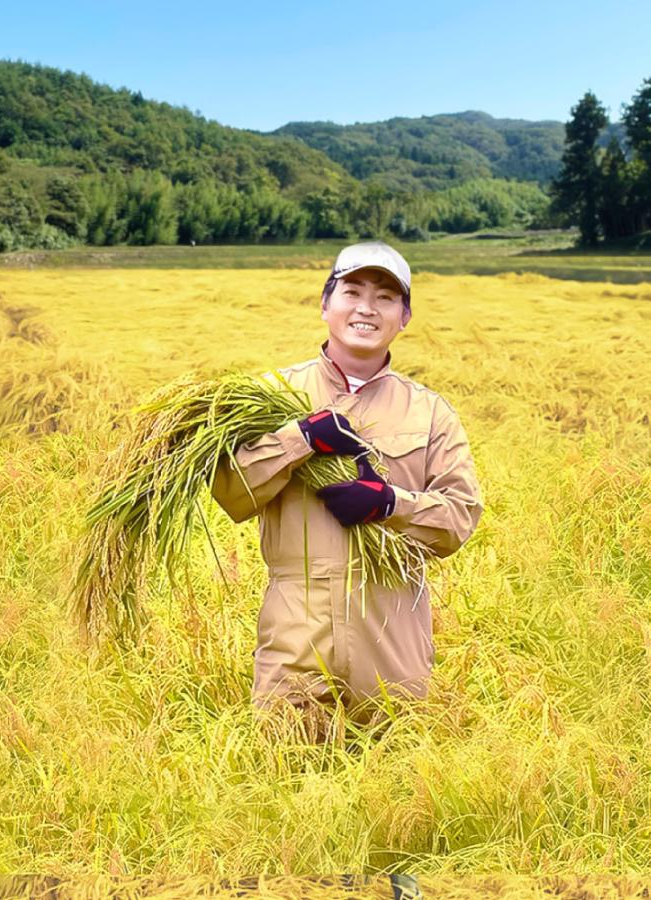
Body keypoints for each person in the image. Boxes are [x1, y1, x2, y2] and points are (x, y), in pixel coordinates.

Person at [211, 240, 483, 898]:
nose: (367, 308)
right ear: (325, 303)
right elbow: (232, 494)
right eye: (353, 292)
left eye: (385, 297)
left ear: (404, 318)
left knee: (395, 801)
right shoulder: (271, 396)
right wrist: (300, 439)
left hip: (393, 631)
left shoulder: (429, 412)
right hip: (296, 628)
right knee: (286, 796)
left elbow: (460, 516)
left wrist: (391, 504)